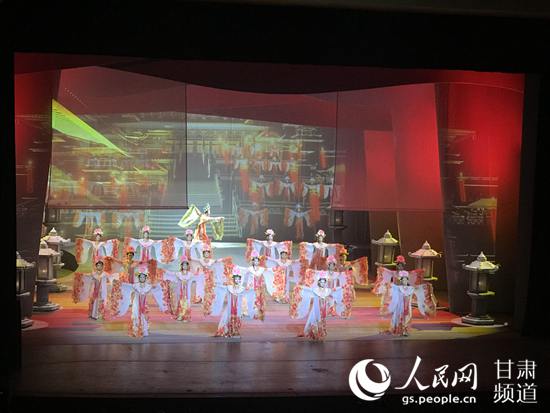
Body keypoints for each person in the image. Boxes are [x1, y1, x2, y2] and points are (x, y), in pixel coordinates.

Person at [110, 272, 169, 338]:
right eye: (140, 277)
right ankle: (136, 330)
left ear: (145, 278)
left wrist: (164, 283)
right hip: (136, 303)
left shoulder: (148, 286)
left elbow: (156, 287)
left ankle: (144, 330)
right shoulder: (135, 285)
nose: (142, 278)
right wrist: (118, 283)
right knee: (136, 314)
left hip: (144, 304)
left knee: (144, 315)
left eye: (143, 277)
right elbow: (126, 286)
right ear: (139, 278)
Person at [290, 276, 345, 341]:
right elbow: (307, 289)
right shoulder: (315, 290)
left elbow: (336, 290)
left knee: (321, 319)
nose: (322, 284)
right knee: (313, 318)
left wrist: (343, 287)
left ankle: (320, 332)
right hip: (315, 308)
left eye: (324, 282)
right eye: (321, 282)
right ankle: (313, 333)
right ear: (319, 282)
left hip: (323, 308)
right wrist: (300, 287)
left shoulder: (327, 290)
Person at [208, 268, 254, 338]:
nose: (237, 280)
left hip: (237, 305)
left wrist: (247, 277)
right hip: (230, 305)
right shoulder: (229, 286)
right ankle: (226, 330)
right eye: (236, 279)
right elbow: (222, 286)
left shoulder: (241, 287)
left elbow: (246, 286)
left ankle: (234, 330)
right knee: (227, 315)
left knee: (236, 315)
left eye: (238, 279)